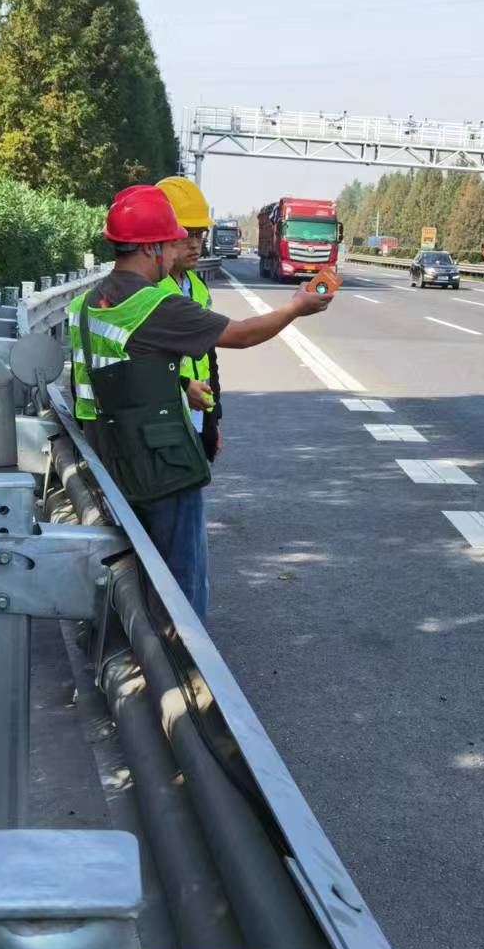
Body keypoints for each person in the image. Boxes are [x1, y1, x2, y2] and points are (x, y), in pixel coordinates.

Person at [68, 183, 333, 621]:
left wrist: (180, 388)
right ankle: (186, 671)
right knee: (182, 577)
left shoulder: (86, 304)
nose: (178, 252)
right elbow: (243, 335)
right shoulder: (155, 303)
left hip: (104, 453)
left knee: (131, 568)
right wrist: (295, 308)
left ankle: (137, 655)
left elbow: (118, 375)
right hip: (160, 465)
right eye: (173, 242)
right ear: (153, 248)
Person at [155, 175, 223, 465]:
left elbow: (209, 353)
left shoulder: (197, 286)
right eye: (186, 234)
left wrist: (213, 418)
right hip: (161, 423)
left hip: (196, 416)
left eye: (199, 234)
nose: (195, 245)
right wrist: (183, 386)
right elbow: (139, 362)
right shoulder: (149, 289)